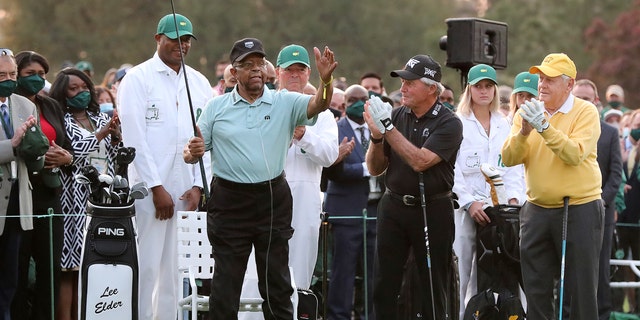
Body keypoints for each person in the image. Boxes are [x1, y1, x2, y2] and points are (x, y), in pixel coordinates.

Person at [183, 37, 337, 319]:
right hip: (230, 202)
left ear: (267, 70)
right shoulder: (216, 108)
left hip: (272, 199)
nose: (255, 70)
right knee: (226, 287)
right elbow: (193, 151)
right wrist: (191, 152)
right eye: (247, 65)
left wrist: (326, 81)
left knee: (276, 285)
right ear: (234, 71)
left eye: (259, 64)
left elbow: (319, 104)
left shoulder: (285, 102)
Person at [117, 13, 212, 319]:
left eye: (186, 39)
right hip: (150, 191)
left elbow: (205, 139)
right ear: (158, 39)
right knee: (146, 265)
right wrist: (156, 187)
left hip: (186, 189)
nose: (181, 45)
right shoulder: (137, 78)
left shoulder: (198, 82)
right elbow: (135, 138)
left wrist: (199, 185)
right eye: (174, 38)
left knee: (176, 270)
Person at [501, 53, 604, 319]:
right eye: (541, 79)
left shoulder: (585, 111)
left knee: (580, 291)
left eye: (550, 80)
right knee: (535, 289)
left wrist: (544, 127)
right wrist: (524, 131)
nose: (542, 85)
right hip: (536, 210)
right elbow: (510, 158)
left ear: (569, 85)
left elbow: (574, 154)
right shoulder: (528, 112)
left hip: (579, 208)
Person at [364, 54, 463, 319]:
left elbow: (421, 162)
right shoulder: (396, 115)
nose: (402, 88)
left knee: (433, 285)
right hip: (394, 206)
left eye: (410, 83)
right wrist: (376, 137)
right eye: (402, 82)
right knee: (384, 285)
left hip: (433, 209)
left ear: (432, 88)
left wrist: (387, 129)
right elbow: (375, 168)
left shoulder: (449, 122)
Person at [49, 67, 121, 320]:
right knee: (70, 268)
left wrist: (115, 138)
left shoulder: (99, 117)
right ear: (63, 93)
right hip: (73, 201)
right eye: (73, 88)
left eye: (84, 87)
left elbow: (112, 156)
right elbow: (76, 149)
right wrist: (102, 134)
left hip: (101, 200)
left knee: (92, 268)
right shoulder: (61, 119)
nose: (81, 92)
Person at [452, 64, 523, 318]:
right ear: (468, 90)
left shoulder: (505, 124)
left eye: (488, 86)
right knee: (462, 273)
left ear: (495, 90)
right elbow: (452, 169)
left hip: (502, 210)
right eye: (478, 86)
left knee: (505, 270)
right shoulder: (457, 123)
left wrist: (514, 199)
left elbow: (514, 164)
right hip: (465, 209)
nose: (483, 91)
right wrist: (470, 202)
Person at [11, 51, 74, 320]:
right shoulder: (9, 106)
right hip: (18, 195)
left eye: (41, 75)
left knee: (50, 269)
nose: (37, 79)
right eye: (29, 74)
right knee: (18, 267)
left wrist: (65, 158)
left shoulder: (51, 106)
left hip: (49, 195)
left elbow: (68, 149)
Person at [274, 44, 338, 290]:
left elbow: (330, 155)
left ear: (308, 73)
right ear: (278, 72)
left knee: (299, 275)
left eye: (300, 70)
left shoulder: (323, 115)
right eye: (288, 70)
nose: (294, 75)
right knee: (261, 273)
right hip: (265, 197)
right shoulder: (265, 106)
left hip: (304, 199)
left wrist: (303, 135)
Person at [324, 84, 381, 320]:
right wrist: (364, 169)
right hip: (346, 212)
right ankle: (339, 316)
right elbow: (331, 169)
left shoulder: (378, 130)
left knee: (374, 272)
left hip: (376, 211)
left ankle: (369, 315)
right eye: (353, 99)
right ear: (345, 104)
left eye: (363, 99)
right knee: (343, 272)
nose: (359, 103)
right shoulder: (336, 130)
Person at [572, 78, 623, 320]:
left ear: (597, 102)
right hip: (570, 210)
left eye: (587, 99)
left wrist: (601, 201)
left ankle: (602, 316)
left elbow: (616, 173)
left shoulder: (610, 132)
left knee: (600, 271)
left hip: (601, 211)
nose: (582, 103)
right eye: (578, 98)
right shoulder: (565, 130)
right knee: (572, 270)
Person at [0, 48, 39, 320]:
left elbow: (33, 153)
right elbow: (13, 146)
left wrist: (37, 149)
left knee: (10, 279)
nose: (9, 79)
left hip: (16, 202)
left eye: (12, 74)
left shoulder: (25, 105)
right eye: (2, 75)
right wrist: (11, 145)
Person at [618, 109, 640, 313]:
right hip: (620, 221)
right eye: (636, 127)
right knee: (618, 267)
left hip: (638, 221)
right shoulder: (619, 148)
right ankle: (618, 310)